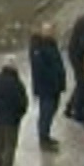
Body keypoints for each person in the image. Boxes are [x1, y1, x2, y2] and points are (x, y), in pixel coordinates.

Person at [29, 22, 67, 152]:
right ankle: (43, 138)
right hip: (46, 87)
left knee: (51, 111)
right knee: (46, 112)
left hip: (54, 86)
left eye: (51, 30)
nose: (50, 32)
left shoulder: (51, 44)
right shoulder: (38, 47)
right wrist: (53, 79)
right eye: (47, 30)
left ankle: (46, 135)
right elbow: (40, 69)